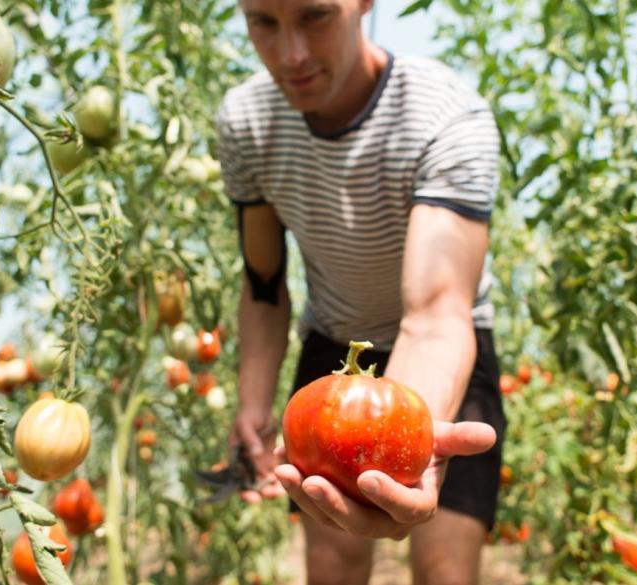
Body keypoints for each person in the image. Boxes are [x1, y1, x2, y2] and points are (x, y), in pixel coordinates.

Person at [216, 1, 506, 583]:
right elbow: (265, 284)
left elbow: (435, 315)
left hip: (448, 351)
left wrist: (410, 440)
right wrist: (253, 401)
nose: (290, 53)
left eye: (315, 16)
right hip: (332, 350)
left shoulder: (446, 116)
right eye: (263, 23)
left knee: (445, 566)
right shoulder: (247, 120)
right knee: (331, 560)